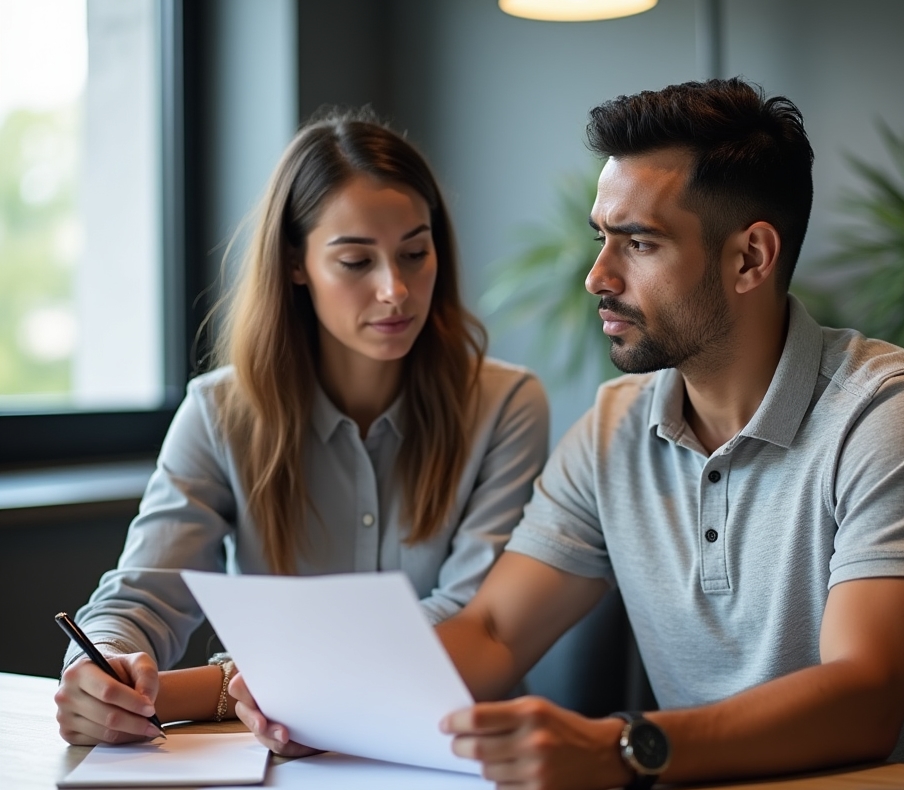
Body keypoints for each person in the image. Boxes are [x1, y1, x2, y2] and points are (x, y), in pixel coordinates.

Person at [235, 79, 904, 790]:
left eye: (638, 243)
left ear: (750, 257)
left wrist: (620, 748)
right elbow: (494, 630)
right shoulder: (614, 428)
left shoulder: (888, 415)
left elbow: (864, 694)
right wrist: (319, 703)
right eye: (601, 236)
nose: (597, 275)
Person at [55, 109, 548, 745]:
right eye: (355, 261)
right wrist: (98, 673)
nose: (395, 290)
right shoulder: (219, 411)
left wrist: (203, 690)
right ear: (296, 263)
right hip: (279, 761)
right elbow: (143, 595)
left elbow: (466, 621)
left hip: (458, 749)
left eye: (415, 253)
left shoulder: (506, 405)